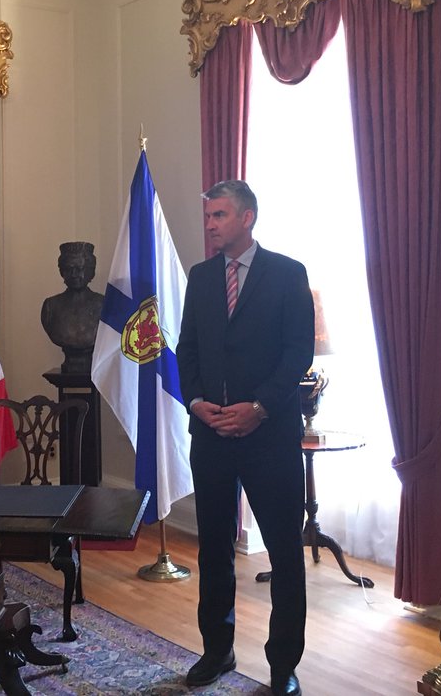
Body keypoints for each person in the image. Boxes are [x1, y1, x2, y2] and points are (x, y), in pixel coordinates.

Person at [176, 180, 314, 695]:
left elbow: (298, 353)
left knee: (284, 552)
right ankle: (217, 650)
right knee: (213, 549)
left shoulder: (287, 273)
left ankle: (283, 666)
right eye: (208, 215)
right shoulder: (201, 276)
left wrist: (258, 408)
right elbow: (187, 349)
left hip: (268, 437)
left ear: (247, 217)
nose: (210, 224)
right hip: (211, 434)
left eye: (219, 215)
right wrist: (195, 402)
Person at [40, 241, 105, 374]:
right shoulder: (50, 306)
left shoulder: (103, 304)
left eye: (80, 268)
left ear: (91, 272)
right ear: (62, 272)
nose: (74, 274)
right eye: (69, 269)